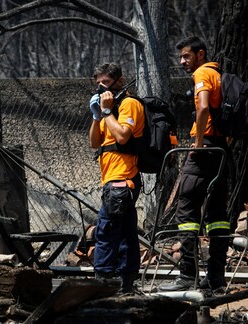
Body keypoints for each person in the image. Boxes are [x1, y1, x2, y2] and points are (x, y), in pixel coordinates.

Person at [158, 36, 231, 293]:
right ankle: (216, 278)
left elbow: (201, 108)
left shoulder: (202, 73)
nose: (182, 62)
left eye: (186, 56)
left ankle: (188, 274)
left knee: (186, 211)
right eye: (181, 57)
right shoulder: (221, 75)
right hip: (222, 151)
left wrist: (197, 143)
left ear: (200, 54)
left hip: (204, 150)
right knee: (217, 217)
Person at [89, 63, 145, 294]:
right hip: (111, 180)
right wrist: (96, 116)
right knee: (126, 233)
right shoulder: (108, 110)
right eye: (98, 84)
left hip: (122, 179)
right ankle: (126, 283)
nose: (101, 89)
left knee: (106, 232)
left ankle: (102, 282)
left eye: (105, 83)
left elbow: (122, 137)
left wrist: (106, 112)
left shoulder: (128, 105)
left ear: (120, 82)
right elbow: (94, 143)